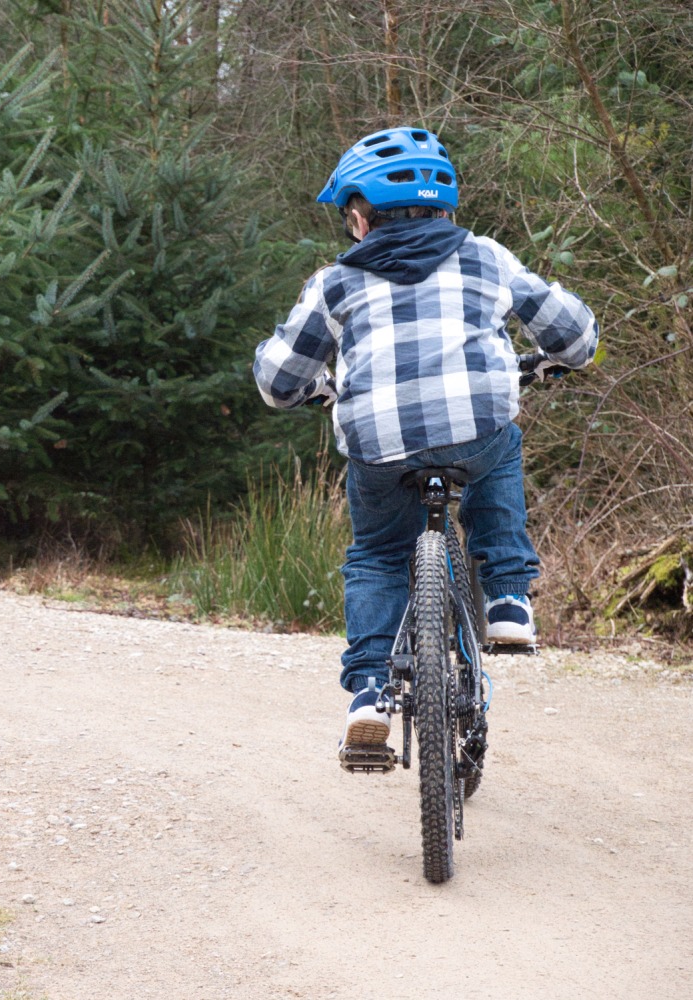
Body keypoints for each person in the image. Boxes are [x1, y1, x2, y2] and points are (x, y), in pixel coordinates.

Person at [252, 126, 597, 753]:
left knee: (380, 555)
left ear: (360, 217)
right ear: (448, 208)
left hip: (379, 447)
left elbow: (277, 381)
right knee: (497, 449)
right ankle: (507, 598)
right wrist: (549, 358)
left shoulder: (334, 283)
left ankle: (370, 695)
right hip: (474, 428)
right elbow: (574, 339)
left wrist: (317, 390)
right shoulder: (485, 257)